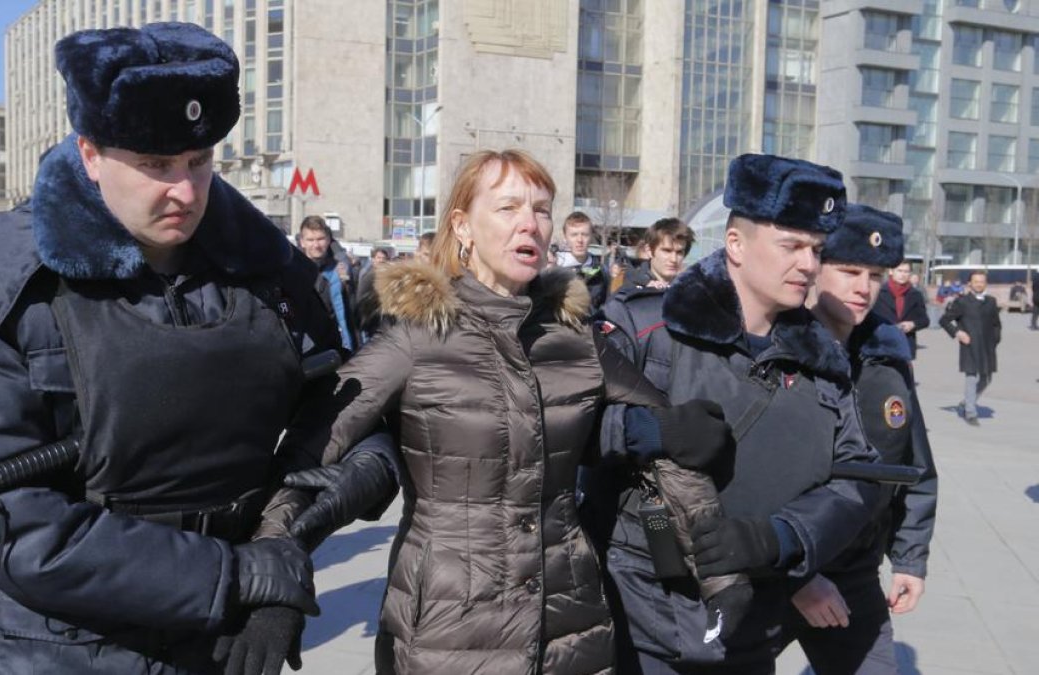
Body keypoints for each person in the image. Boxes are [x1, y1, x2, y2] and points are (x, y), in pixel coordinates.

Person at [0, 23, 358, 673]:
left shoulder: (264, 267)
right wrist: (230, 576)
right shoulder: (10, 285)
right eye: (156, 165)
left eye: (199, 161)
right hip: (69, 647)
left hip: (224, 640)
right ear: (91, 153)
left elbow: (347, 412)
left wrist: (280, 552)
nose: (184, 190)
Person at [277, 149, 732, 674]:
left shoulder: (576, 337)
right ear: (462, 226)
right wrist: (274, 573)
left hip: (568, 623)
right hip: (448, 630)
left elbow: (672, 449)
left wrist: (720, 574)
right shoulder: (417, 335)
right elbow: (309, 449)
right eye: (509, 208)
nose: (531, 225)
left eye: (541, 209)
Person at [587, 153, 881, 674]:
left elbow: (856, 478)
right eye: (790, 245)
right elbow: (557, 430)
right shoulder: (647, 329)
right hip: (636, 625)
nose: (808, 265)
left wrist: (782, 537)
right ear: (736, 244)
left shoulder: (824, 359)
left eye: (816, 249)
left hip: (752, 629)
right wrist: (646, 430)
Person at [790, 204, 938, 675]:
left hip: (852, 570)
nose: (863, 287)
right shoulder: (774, 347)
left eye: (875, 274)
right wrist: (796, 576)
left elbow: (914, 465)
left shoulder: (887, 359)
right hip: (768, 569)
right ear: (816, 267)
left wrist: (910, 558)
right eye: (849, 270)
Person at [939, 270, 1001, 426]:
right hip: (970, 346)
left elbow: (996, 324)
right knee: (971, 378)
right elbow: (944, 320)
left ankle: (967, 401)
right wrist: (958, 333)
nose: (979, 284)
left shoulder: (991, 301)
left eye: (982, 281)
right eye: (976, 281)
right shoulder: (962, 302)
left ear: (985, 283)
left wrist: (995, 340)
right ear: (970, 284)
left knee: (987, 379)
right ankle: (970, 412)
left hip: (987, 347)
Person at [298, 215, 360, 354]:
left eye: (320, 239)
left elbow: (352, 314)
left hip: (335, 344)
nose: (316, 245)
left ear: (328, 240)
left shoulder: (341, 270)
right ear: (302, 242)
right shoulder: (293, 271)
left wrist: (348, 284)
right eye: (310, 240)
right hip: (304, 347)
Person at [873, 261, 930, 360]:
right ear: (891, 271)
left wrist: (913, 324)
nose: (903, 275)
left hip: (905, 345)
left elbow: (925, 320)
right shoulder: (878, 292)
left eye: (906, 272)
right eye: (899, 271)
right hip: (881, 345)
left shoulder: (915, 295)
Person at [556, 211, 608, 310]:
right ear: (565, 237)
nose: (579, 240)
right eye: (574, 235)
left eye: (584, 234)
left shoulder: (602, 270)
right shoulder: (555, 268)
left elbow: (605, 305)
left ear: (591, 236)